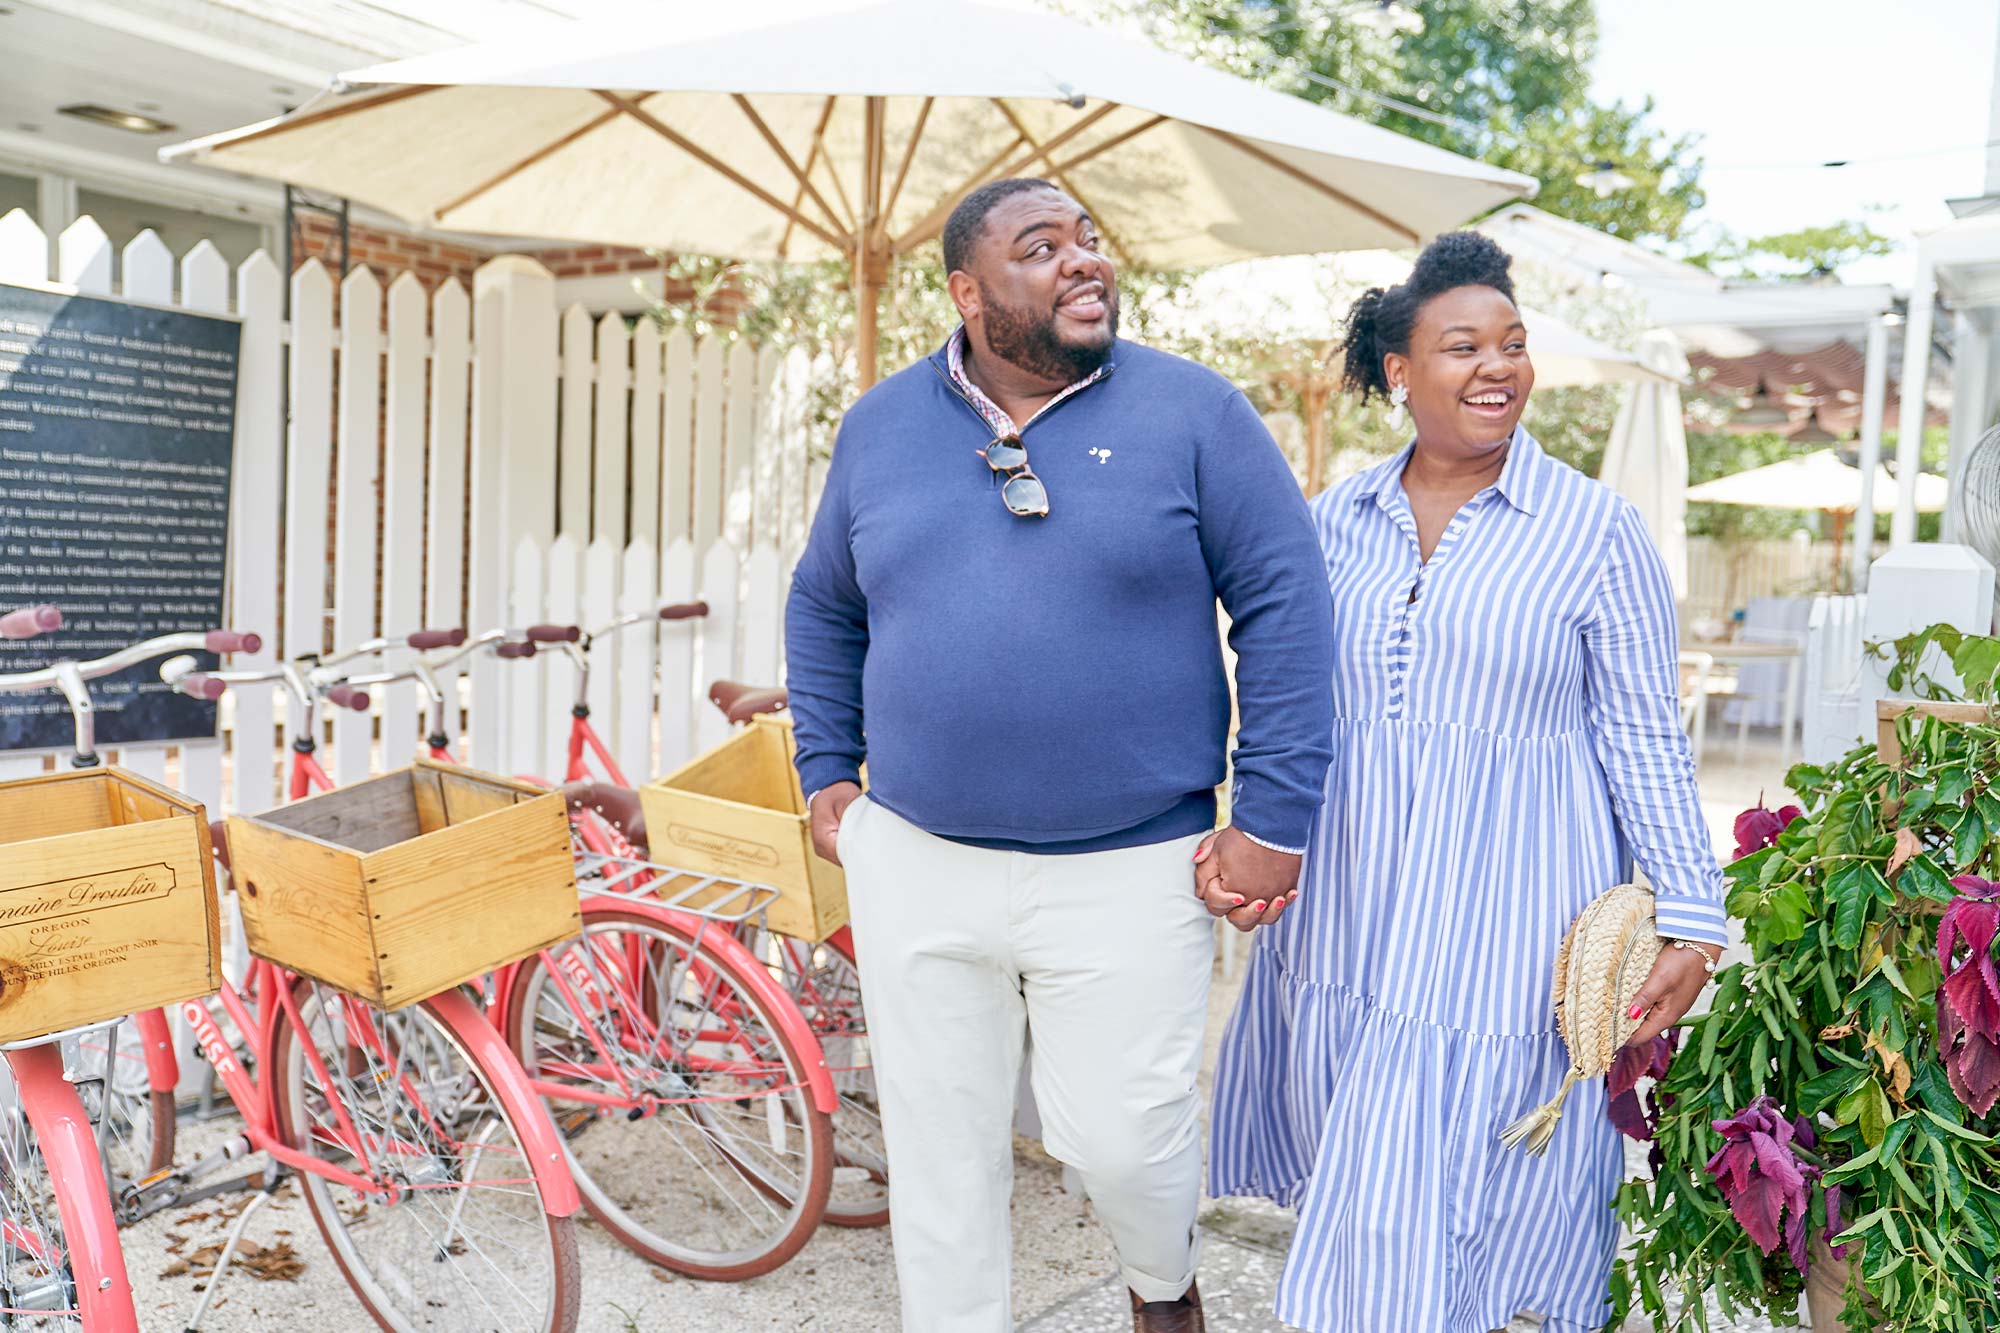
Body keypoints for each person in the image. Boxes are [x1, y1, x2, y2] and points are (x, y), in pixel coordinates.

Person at [784, 176, 1335, 1333]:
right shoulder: (879, 426)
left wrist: (1273, 815)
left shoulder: (1193, 413)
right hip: (920, 856)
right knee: (937, 1154)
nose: (1084, 260)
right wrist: (826, 767)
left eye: (1089, 238)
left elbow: (1285, 604)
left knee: (1123, 1142)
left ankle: (1161, 1285)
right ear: (966, 292)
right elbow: (822, 602)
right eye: (1041, 247)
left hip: (1137, 859)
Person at [1202, 232, 1725, 1333]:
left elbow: (1643, 736)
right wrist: (1255, 827)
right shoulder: (1329, 522)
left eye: (1512, 344)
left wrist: (1692, 915)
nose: (1498, 367)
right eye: (1462, 347)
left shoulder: (1594, 532)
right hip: (1348, 899)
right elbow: (1285, 702)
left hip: (1506, 907)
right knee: (1376, 1172)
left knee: (1417, 1179)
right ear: (1398, 371)